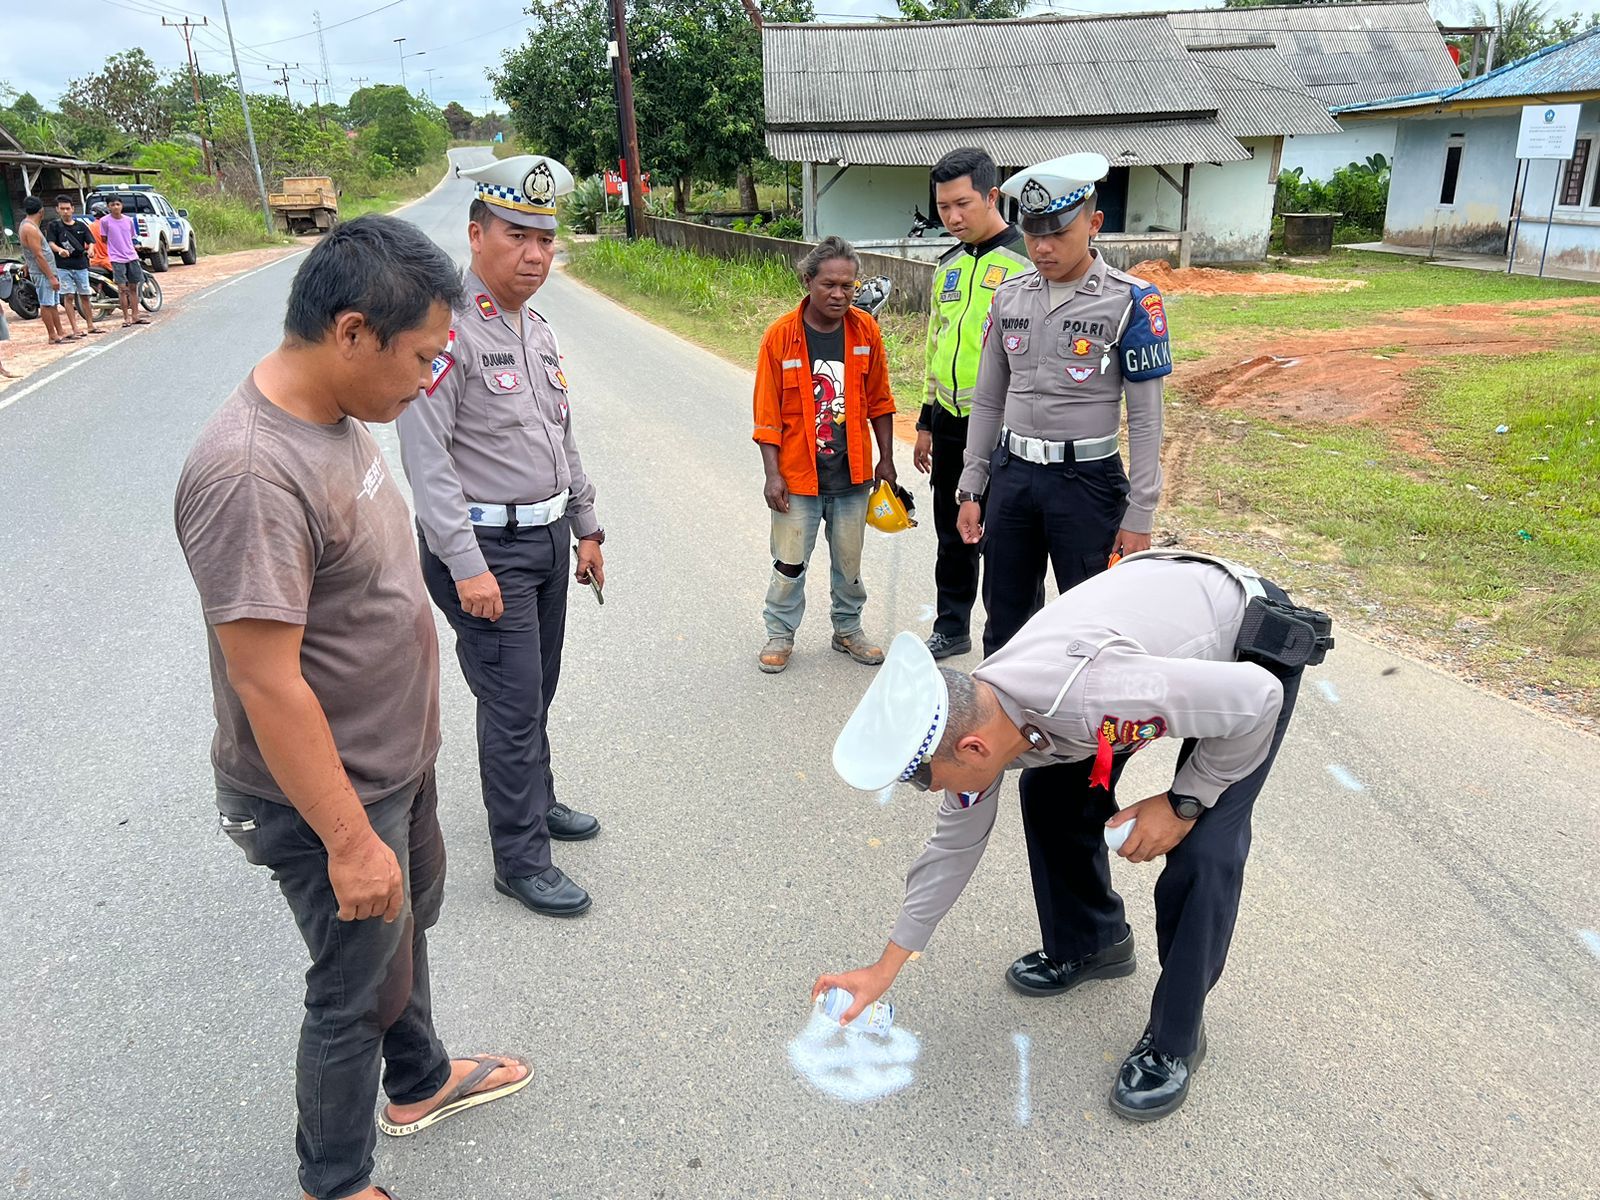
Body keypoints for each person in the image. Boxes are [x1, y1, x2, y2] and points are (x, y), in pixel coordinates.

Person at [174, 215, 531, 1200]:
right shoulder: (251, 469)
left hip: (390, 763)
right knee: (349, 991)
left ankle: (417, 1081)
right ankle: (334, 1183)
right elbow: (266, 682)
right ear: (349, 333)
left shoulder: (338, 417)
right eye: (420, 355)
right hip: (326, 793)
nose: (430, 378)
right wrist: (346, 839)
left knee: (398, 940)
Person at [817, 551, 1331, 1121]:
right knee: (1051, 793)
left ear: (972, 749)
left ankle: (1177, 1040)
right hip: (1145, 650)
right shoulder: (984, 714)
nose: (929, 790)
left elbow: (1258, 698)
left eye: (924, 780)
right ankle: (1093, 942)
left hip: (1241, 646)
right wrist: (883, 969)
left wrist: (1185, 801)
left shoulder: (1098, 697)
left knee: (1205, 850)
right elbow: (952, 847)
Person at [397, 154, 605, 919]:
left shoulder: (535, 327)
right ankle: (519, 858)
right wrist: (466, 567)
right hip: (485, 553)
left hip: (547, 539)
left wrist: (586, 525)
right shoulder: (442, 329)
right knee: (512, 704)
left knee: (536, 688)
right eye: (518, 235)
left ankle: (536, 798)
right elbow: (427, 462)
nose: (535, 255)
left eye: (546, 241)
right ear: (477, 233)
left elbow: (560, 433)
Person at [955, 153, 1170, 658]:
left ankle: (1080, 735)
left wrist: (1140, 513)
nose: (1043, 248)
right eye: (1032, 234)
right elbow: (988, 399)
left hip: (1087, 485)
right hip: (1013, 478)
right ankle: (1009, 728)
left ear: (1094, 223)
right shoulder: (1008, 297)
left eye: (1058, 233)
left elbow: (1145, 419)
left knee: (1091, 625)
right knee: (1005, 618)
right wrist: (972, 484)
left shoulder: (1132, 301)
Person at [751, 235, 897, 675]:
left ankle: (847, 629)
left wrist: (885, 459)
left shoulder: (865, 331)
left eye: (848, 286)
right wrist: (772, 475)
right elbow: (767, 415)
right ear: (808, 280)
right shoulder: (780, 337)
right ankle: (779, 633)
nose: (839, 294)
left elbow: (881, 402)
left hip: (852, 477)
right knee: (789, 562)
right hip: (798, 478)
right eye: (829, 284)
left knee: (849, 564)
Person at [914, 148, 1031, 661]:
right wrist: (923, 419)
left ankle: (1017, 638)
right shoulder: (948, 265)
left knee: (1007, 539)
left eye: (962, 204)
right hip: (949, 421)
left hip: (1007, 426)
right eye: (943, 207)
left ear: (991, 195)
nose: (952, 217)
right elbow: (934, 343)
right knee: (950, 533)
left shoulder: (1028, 261)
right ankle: (952, 625)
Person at [45, 194, 100, 338]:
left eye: (67, 208)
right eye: (62, 209)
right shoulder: (54, 226)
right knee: (68, 296)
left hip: (80, 265)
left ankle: (90, 324)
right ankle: (75, 328)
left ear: (72, 209)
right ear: (57, 209)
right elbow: (50, 243)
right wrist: (60, 250)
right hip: (63, 266)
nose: (65, 211)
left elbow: (91, 241)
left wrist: (91, 249)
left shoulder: (81, 226)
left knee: (85, 295)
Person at [18, 198, 67, 345]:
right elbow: (38, 254)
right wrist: (51, 277)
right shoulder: (30, 228)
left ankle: (60, 332)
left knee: (52, 303)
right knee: (46, 304)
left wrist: (27, 263)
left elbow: (32, 252)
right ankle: (52, 335)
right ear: (41, 210)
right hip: (42, 272)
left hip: (44, 270)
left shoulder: (29, 225)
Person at [101, 195, 149, 328]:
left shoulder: (128, 220)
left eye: (117, 204)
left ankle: (135, 315)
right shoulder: (105, 222)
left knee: (133, 287)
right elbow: (104, 238)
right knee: (122, 289)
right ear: (108, 207)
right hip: (117, 258)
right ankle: (126, 317)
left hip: (131, 256)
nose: (115, 207)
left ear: (121, 205)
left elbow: (132, 236)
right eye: (112, 205)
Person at [87, 201, 111, 272]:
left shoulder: (89, 227)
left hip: (93, 261)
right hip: (109, 261)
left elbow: (86, 246)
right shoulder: (109, 225)